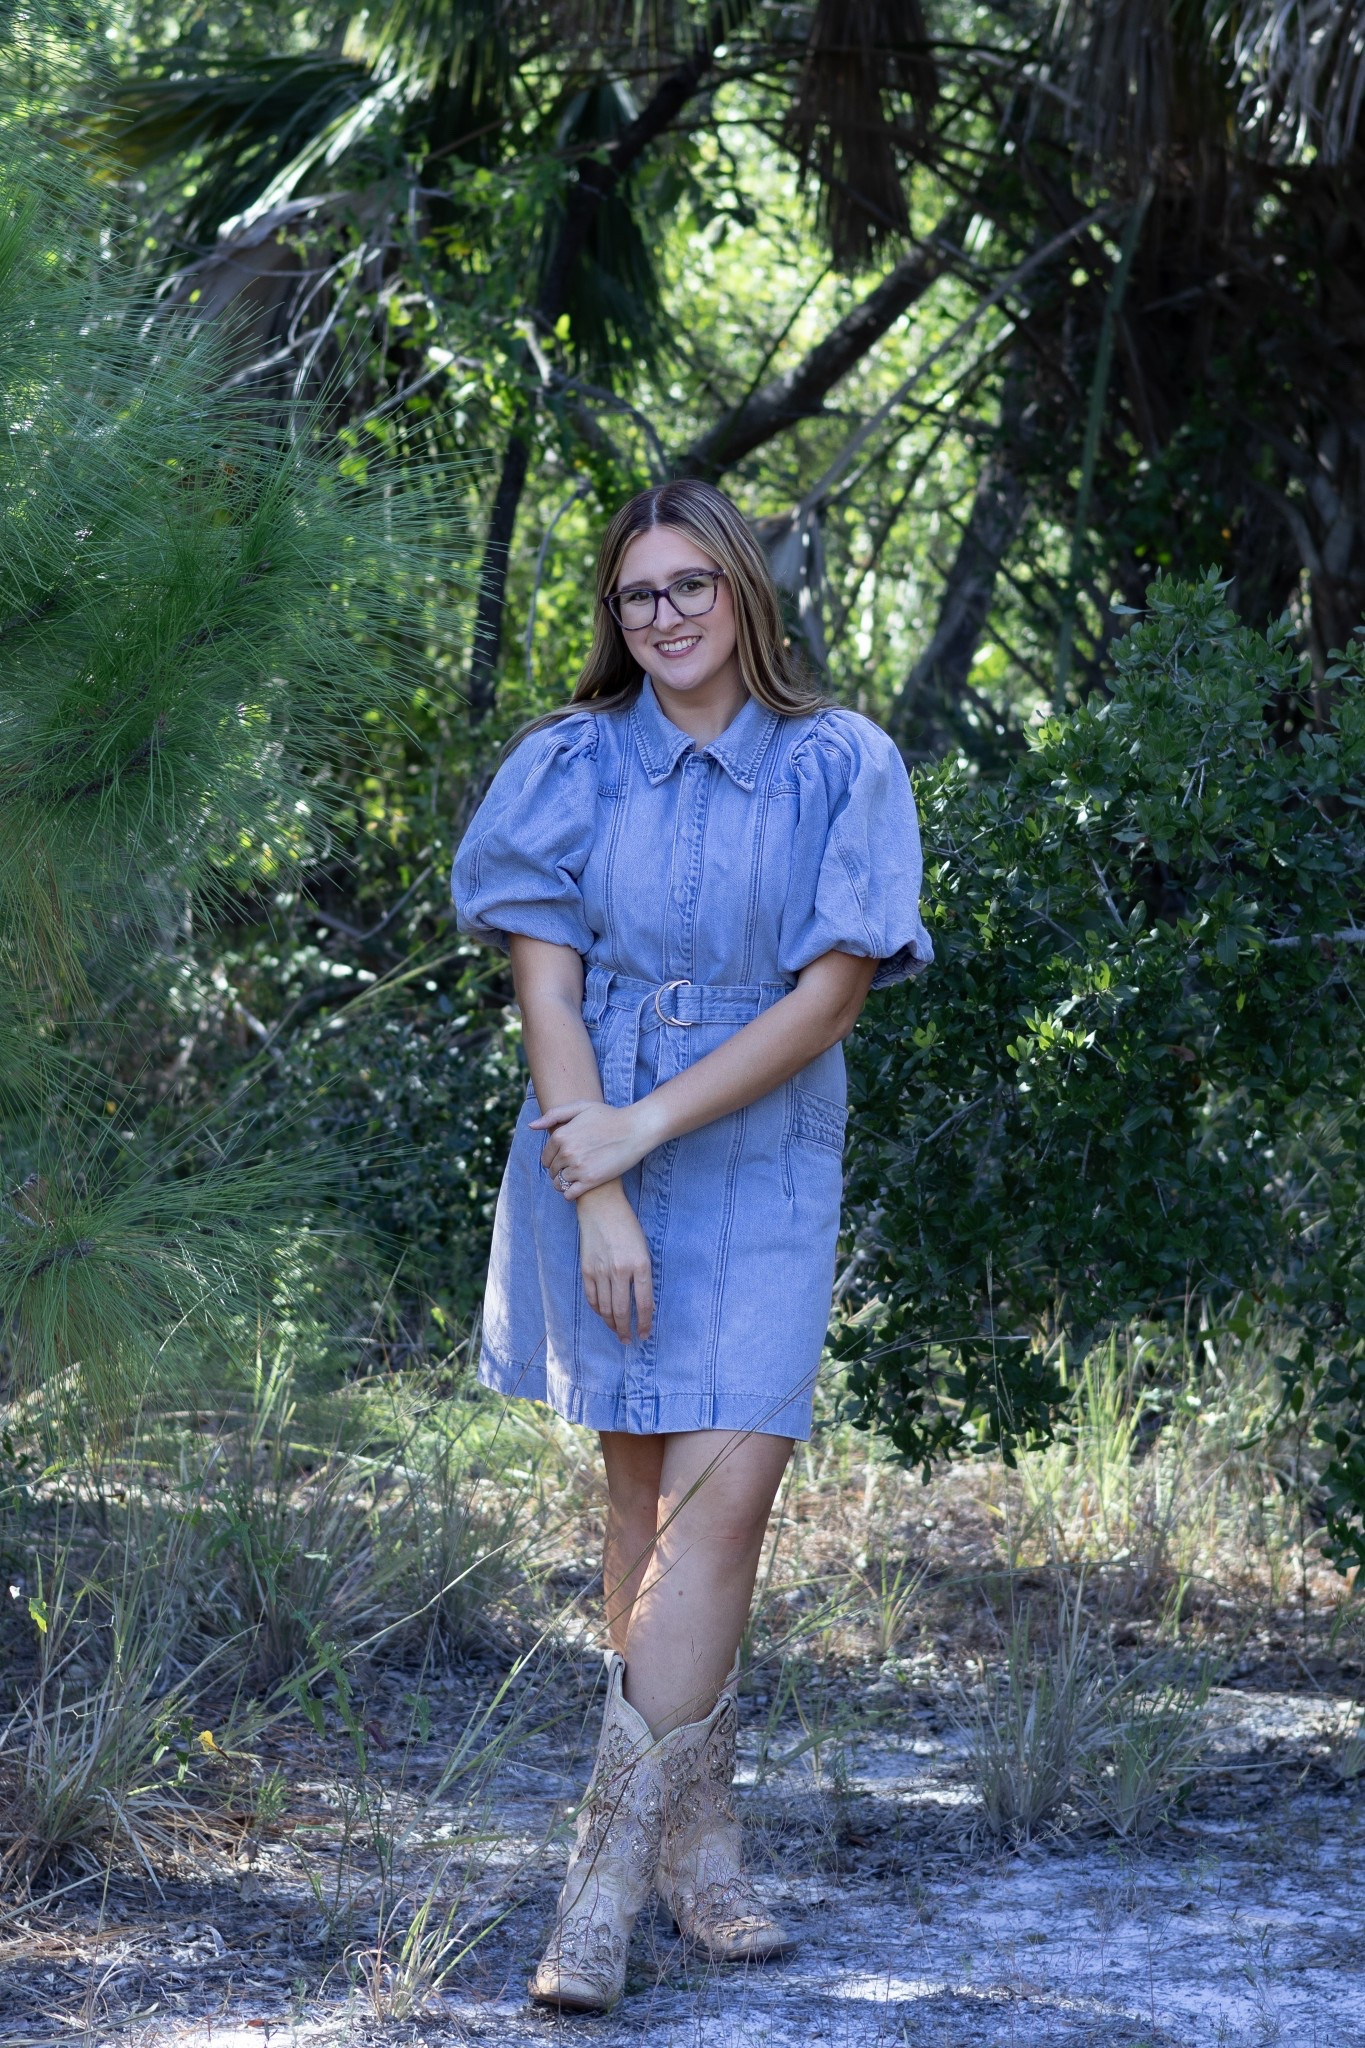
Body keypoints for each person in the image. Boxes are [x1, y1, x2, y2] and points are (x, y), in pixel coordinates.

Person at [451, 478, 931, 2012]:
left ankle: (593, 1888)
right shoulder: (567, 766)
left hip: (755, 1150)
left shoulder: (839, 764)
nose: (662, 616)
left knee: (725, 1506)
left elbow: (829, 997)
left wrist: (648, 1134)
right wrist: (597, 1184)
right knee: (642, 1495)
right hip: (592, 1155)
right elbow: (546, 993)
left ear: (743, 594)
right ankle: (699, 1848)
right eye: (636, 594)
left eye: (689, 587)